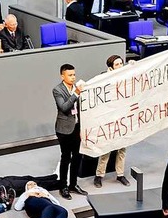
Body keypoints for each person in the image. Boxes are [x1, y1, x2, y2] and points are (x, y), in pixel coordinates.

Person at [94, 55, 130, 188]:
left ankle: (120, 175)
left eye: (121, 63)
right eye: (117, 64)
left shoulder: (125, 77)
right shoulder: (104, 78)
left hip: (122, 118)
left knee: (122, 148)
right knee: (106, 149)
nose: (120, 66)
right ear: (110, 67)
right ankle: (99, 175)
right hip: (109, 119)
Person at [53, 63, 87, 199]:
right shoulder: (57, 90)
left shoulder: (78, 87)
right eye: (70, 75)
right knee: (66, 158)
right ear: (63, 76)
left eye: (74, 75)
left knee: (77, 157)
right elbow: (64, 107)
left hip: (77, 128)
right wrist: (76, 93)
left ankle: (73, 184)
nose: (73, 78)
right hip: (64, 129)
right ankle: (63, 186)